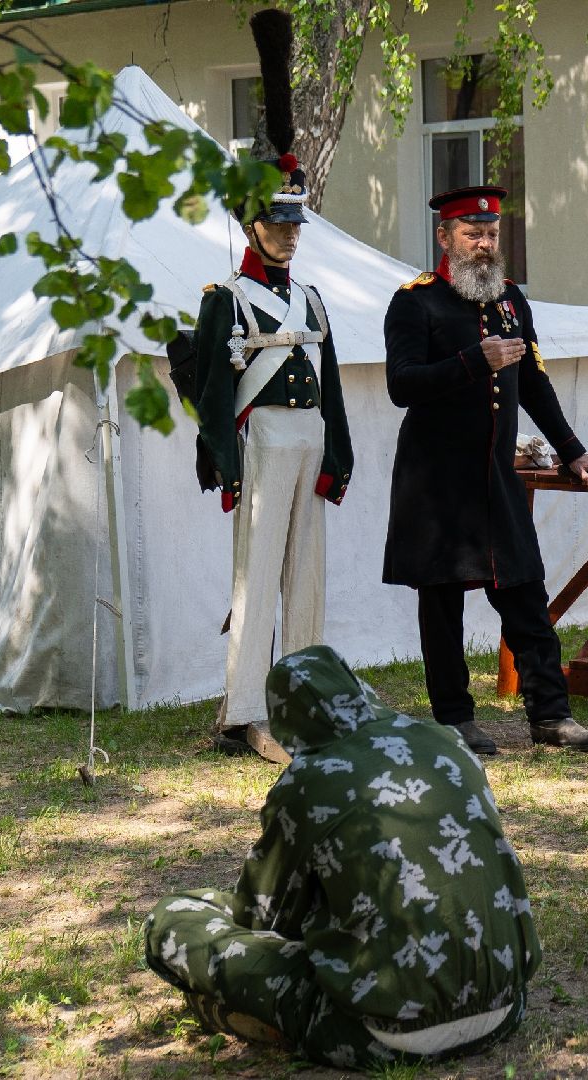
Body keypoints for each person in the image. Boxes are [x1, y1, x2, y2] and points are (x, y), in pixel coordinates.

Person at [143, 646, 540, 1069]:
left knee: (175, 918)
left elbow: (261, 918)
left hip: (380, 1035)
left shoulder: (309, 780)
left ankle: (247, 1015)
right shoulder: (448, 739)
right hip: (505, 1007)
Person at [383, 185, 588, 756]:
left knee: (526, 594)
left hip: (496, 480)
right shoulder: (415, 302)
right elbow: (401, 385)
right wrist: (470, 362)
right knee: (442, 606)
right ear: (444, 238)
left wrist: (573, 449)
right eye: (471, 234)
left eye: (491, 235)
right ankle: (455, 720)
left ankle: (550, 716)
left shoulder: (510, 301)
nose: (483, 245)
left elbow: (533, 381)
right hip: (436, 484)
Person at [192, 146, 352, 764]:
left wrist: (338, 455)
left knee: (306, 577)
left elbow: (330, 389)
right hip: (260, 445)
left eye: (295, 223)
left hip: (308, 443)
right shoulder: (225, 300)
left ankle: (304, 699)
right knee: (254, 583)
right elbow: (212, 394)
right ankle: (245, 712)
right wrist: (225, 468)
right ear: (250, 225)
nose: (289, 234)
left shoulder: (311, 299)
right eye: (277, 223)